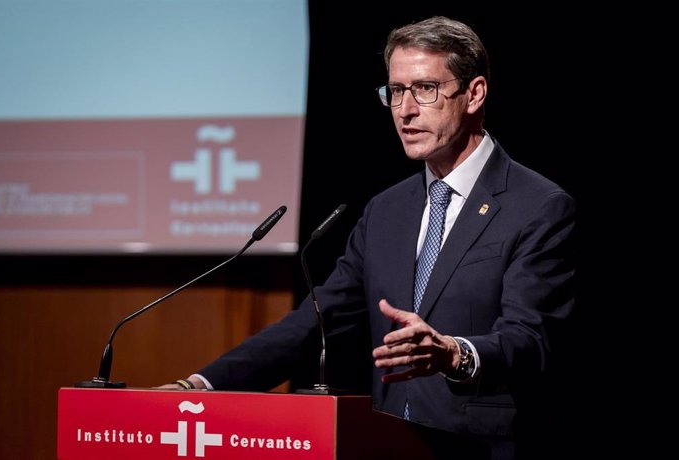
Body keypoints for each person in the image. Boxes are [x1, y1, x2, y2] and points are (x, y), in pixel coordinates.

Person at [159, 15, 576, 460]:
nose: (406, 110)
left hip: (482, 448)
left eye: (425, 89)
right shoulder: (386, 210)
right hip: (388, 444)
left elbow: (531, 340)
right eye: (396, 91)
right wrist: (199, 386)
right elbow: (314, 322)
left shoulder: (538, 205)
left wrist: (455, 353)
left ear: (473, 94)